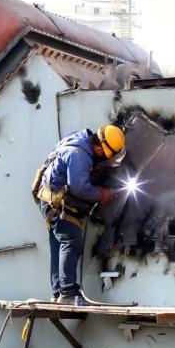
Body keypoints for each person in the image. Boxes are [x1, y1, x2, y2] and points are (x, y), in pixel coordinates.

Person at [33, 125, 126, 305]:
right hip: (56, 204)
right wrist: (101, 194)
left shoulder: (80, 139)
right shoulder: (80, 155)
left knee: (58, 245)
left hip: (49, 200)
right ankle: (68, 292)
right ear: (101, 149)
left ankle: (58, 294)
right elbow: (79, 187)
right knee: (71, 241)